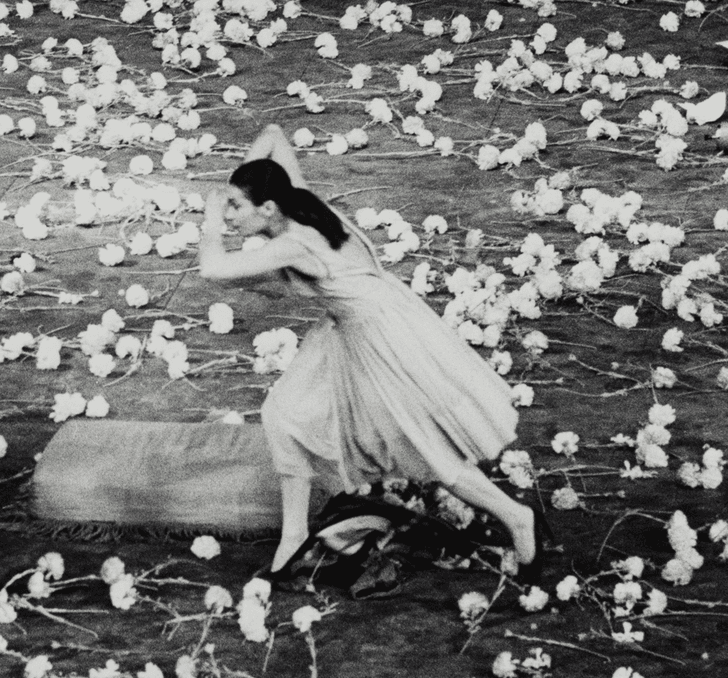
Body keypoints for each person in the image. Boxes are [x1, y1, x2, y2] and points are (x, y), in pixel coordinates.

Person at [196, 125, 542, 580]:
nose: (230, 215)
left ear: (267, 208)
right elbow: (275, 135)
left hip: (381, 337)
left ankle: (515, 516)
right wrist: (234, 185)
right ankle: (295, 534)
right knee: (285, 413)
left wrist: (208, 214)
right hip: (354, 326)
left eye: (237, 206)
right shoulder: (298, 199)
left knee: (424, 444)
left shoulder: (295, 241)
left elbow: (212, 267)